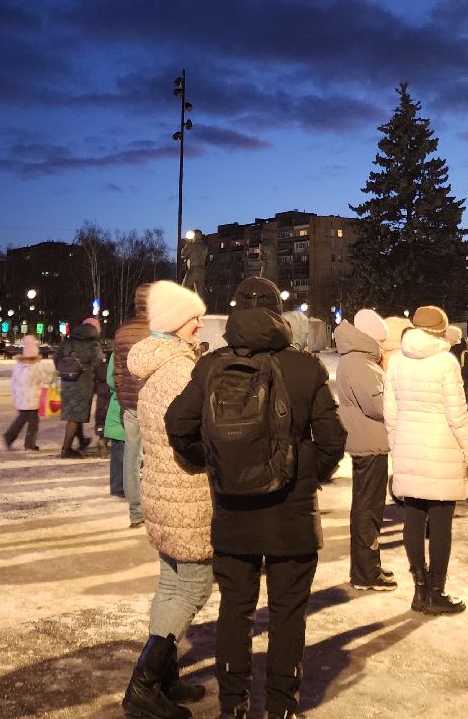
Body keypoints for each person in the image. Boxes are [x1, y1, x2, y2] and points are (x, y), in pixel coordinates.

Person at [166, 277, 346, 719]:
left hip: (233, 509)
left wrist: (217, 464)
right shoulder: (305, 367)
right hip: (291, 514)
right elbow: (332, 438)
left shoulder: (211, 366)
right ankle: (282, 706)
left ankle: (233, 706)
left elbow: (177, 425)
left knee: (236, 609)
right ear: (277, 311)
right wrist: (308, 474)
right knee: (287, 613)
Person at [121, 280, 211, 719]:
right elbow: (189, 434)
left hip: (164, 491)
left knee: (171, 583)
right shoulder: (180, 372)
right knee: (193, 587)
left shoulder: (159, 367)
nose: (199, 323)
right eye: (193, 317)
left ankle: (165, 676)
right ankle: (144, 685)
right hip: (186, 494)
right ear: (176, 324)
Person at [384, 324, 468, 615]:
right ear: (440, 331)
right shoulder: (446, 361)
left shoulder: (397, 360)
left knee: (413, 519)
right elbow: (457, 416)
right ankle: (436, 592)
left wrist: (397, 445)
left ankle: (419, 590)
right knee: (440, 525)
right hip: (442, 448)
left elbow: (390, 413)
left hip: (408, 444)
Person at [335, 308, 394, 591]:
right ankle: (365, 572)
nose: (383, 346)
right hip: (369, 445)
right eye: (381, 341)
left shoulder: (358, 360)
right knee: (367, 510)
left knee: (368, 509)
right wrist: (395, 396)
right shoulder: (360, 362)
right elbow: (377, 405)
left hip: (368, 442)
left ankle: (369, 567)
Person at [113, 285, 151, 527]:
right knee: (157, 456)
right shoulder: (158, 331)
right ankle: (154, 506)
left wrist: (122, 397)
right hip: (153, 401)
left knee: (131, 455)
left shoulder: (122, 331)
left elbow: (118, 371)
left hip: (130, 403)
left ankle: (135, 511)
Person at [54, 316, 104, 458]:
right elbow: (98, 361)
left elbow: (56, 358)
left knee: (74, 414)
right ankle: (66, 449)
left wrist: (66, 369)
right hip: (83, 383)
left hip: (67, 382)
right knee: (75, 417)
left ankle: (81, 441)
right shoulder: (93, 343)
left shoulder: (68, 341)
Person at [4, 335, 45, 451]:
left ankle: (10, 437)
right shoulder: (35, 367)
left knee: (22, 419)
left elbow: (14, 381)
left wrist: (16, 394)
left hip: (21, 398)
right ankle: (28, 443)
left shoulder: (19, 366)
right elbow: (42, 380)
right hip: (32, 399)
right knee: (33, 421)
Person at [105, 352, 128, 497]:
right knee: (121, 446)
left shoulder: (117, 352)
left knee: (121, 447)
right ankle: (119, 485)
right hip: (122, 405)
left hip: (119, 403)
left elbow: (111, 379)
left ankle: (119, 484)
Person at [443, 325, 468, 402]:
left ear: (451, 337)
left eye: (445, 335)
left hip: (460, 389)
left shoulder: (462, 351)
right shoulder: (447, 349)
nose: (443, 337)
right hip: (450, 388)